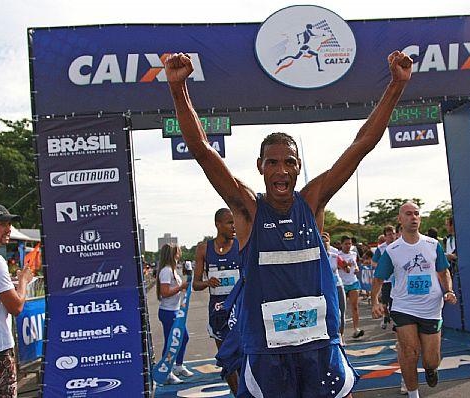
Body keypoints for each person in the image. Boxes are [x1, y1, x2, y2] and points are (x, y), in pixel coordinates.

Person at [165, 48, 412, 397]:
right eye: (272, 162)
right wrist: (179, 89)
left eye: (289, 162)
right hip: (268, 350)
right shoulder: (248, 209)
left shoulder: (312, 201)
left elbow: (362, 144)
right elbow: (203, 151)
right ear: (260, 167)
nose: (281, 170)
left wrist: (396, 85)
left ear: (298, 167)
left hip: (319, 343)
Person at [372, 202, 457, 398]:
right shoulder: (392, 250)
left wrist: (449, 290)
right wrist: (375, 302)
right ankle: (413, 393)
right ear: (400, 220)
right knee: (410, 352)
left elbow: (443, 271)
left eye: (416, 214)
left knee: (431, 360)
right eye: (408, 214)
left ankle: (430, 368)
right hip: (404, 306)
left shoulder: (432, 245)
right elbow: (378, 278)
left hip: (431, 307)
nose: (413, 217)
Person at [194, 208, 241, 394]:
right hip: (218, 312)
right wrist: (207, 282)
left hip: (240, 308)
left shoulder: (241, 244)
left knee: (245, 356)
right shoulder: (204, 249)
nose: (234, 227)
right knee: (227, 358)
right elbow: (195, 285)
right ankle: (237, 394)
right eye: (230, 222)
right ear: (218, 224)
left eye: (235, 222)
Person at [0, 205, 33, 397]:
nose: (9, 228)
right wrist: (23, 281)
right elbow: (16, 306)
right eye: (3, 224)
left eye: (9, 223)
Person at [156, 243, 191, 384]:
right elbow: (165, 292)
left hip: (175, 310)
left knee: (183, 338)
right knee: (171, 341)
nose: (180, 252)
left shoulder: (173, 270)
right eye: (178, 251)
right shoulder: (166, 271)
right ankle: (166, 372)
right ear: (173, 253)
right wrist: (180, 287)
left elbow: (174, 289)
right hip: (168, 311)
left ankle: (178, 366)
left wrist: (183, 288)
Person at [337, 235, 365, 339]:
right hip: (342, 283)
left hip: (353, 282)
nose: (348, 246)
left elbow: (355, 265)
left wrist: (356, 268)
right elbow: (341, 267)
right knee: (341, 309)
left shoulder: (353, 253)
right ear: (341, 244)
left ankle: (356, 329)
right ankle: (340, 333)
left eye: (350, 244)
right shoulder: (337, 255)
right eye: (346, 244)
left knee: (355, 307)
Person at [372, 225, 397, 330]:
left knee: (395, 303)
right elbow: (373, 263)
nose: (391, 236)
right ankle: (386, 316)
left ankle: (395, 324)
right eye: (389, 235)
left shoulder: (400, 245)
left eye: (393, 234)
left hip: (398, 280)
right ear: (385, 236)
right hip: (386, 280)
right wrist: (383, 267)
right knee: (385, 303)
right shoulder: (381, 248)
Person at [322, 232, 346, 341]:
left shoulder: (335, 256)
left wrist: (350, 267)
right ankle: (330, 337)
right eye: (322, 241)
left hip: (337, 286)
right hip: (323, 288)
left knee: (341, 311)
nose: (324, 243)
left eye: (326, 241)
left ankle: (341, 336)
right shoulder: (316, 256)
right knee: (328, 313)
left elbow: (346, 267)